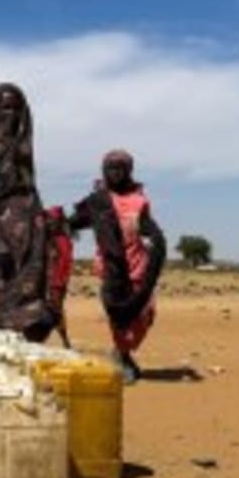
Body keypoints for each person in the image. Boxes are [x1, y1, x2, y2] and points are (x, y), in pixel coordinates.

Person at [68, 150, 167, 384]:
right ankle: (123, 357)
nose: (114, 172)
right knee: (119, 319)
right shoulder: (97, 201)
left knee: (146, 314)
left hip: (138, 267)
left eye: (120, 168)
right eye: (110, 167)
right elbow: (73, 220)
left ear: (128, 171)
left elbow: (148, 230)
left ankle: (123, 353)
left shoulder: (139, 201)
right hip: (111, 270)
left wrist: (156, 243)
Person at [0, 83, 55, 341]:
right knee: (7, 287)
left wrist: (44, 222)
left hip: (32, 226)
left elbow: (29, 185)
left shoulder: (22, 146)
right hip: (4, 229)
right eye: (5, 108)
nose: (12, 114)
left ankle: (30, 347)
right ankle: (5, 343)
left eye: (17, 109)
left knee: (36, 289)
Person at [45, 207, 74, 349]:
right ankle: (65, 341)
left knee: (55, 311)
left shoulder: (60, 241)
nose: (49, 223)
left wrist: (55, 282)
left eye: (52, 220)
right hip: (54, 282)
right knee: (55, 311)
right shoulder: (61, 239)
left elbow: (62, 265)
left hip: (55, 282)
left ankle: (65, 341)